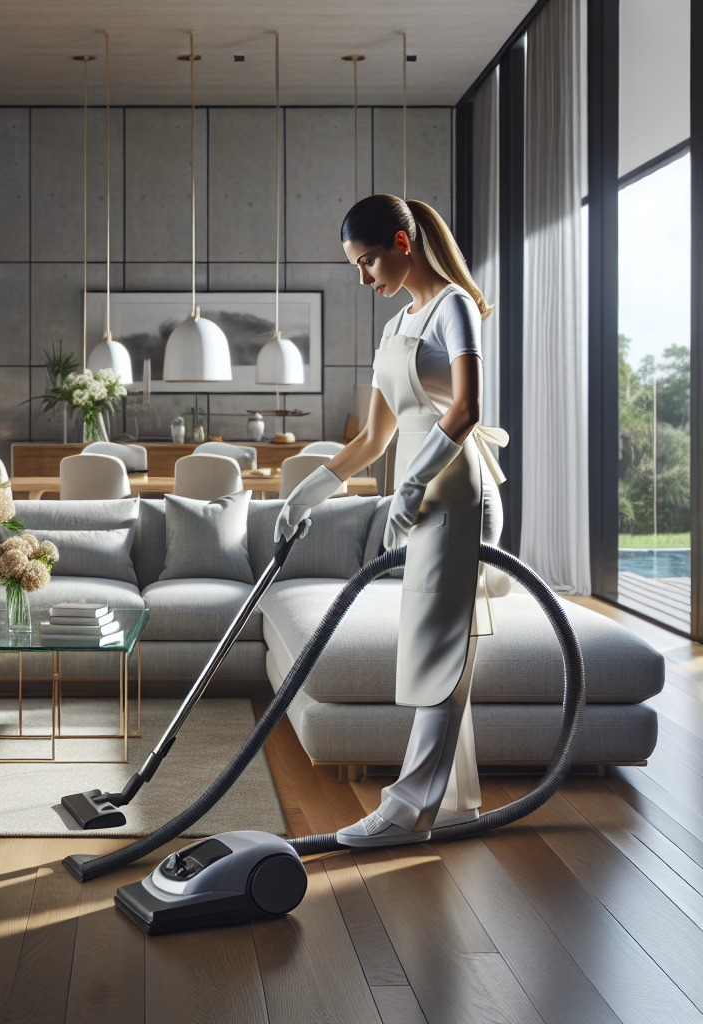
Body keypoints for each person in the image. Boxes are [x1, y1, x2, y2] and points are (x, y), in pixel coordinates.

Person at [276, 194, 509, 848]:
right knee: (431, 643)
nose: (363, 277)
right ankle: (444, 803)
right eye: (356, 265)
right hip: (416, 491)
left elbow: (466, 409)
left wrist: (412, 482)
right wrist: (308, 491)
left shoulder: (453, 308)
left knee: (438, 644)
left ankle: (406, 812)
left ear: (404, 244)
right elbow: (373, 440)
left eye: (369, 260)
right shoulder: (392, 327)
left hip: (456, 487)